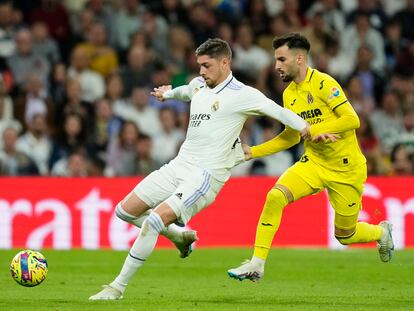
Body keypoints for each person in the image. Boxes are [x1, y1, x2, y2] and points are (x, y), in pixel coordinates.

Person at [89, 38, 309, 300]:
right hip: (178, 166)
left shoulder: (243, 94)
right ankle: (179, 236)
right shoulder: (199, 85)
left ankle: (116, 288)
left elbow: (279, 112)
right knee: (124, 210)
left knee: (154, 220)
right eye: (199, 66)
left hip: (205, 176)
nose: (201, 71)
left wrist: (307, 129)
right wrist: (168, 93)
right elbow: (187, 91)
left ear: (225, 62)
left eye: (207, 65)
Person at [227, 33, 395, 282]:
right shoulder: (289, 94)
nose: (277, 66)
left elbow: (352, 119)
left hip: (346, 169)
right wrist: (253, 151)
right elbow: (291, 137)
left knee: (345, 235)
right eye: (276, 60)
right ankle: (257, 264)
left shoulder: (324, 83)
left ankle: (381, 233)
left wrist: (315, 130)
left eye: (282, 59)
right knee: (275, 196)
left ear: (299, 58)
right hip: (314, 163)